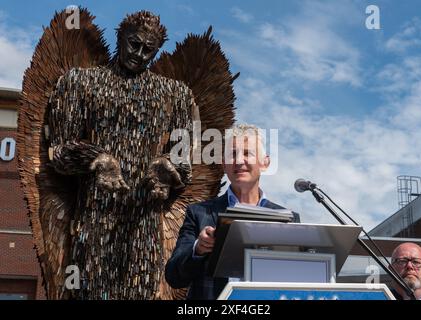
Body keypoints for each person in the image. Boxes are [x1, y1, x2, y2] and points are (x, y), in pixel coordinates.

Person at [47, 11, 196, 299]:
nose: (139, 55)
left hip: (143, 224)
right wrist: (97, 158)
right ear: (120, 37)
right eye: (133, 44)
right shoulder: (80, 83)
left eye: (148, 50)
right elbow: (59, 150)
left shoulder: (176, 95)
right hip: (94, 218)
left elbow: (183, 161)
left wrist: (167, 168)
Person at [165, 124, 300, 299]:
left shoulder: (288, 220)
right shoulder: (199, 213)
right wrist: (198, 248)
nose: (239, 161)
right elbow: (173, 277)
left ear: (265, 163)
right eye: (232, 154)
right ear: (224, 164)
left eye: (247, 153)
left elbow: (296, 278)